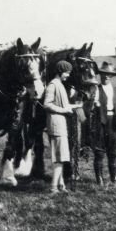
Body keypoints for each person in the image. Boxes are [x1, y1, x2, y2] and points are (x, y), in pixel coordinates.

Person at [43, 60, 83, 194]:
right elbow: (47, 104)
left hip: (60, 124)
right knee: (59, 158)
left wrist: (75, 106)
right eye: (67, 73)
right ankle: (54, 187)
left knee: (62, 156)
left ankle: (61, 186)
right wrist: (64, 111)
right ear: (60, 72)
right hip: (56, 125)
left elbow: (64, 106)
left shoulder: (60, 84)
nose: (68, 76)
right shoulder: (53, 85)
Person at [92, 62, 116, 187]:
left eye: (108, 74)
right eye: (103, 74)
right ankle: (100, 180)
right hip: (100, 123)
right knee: (99, 152)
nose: (106, 76)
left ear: (112, 76)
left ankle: (114, 179)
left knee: (112, 152)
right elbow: (89, 108)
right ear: (100, 75)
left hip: (114, 122)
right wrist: (95, 106)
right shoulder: (95, 90)